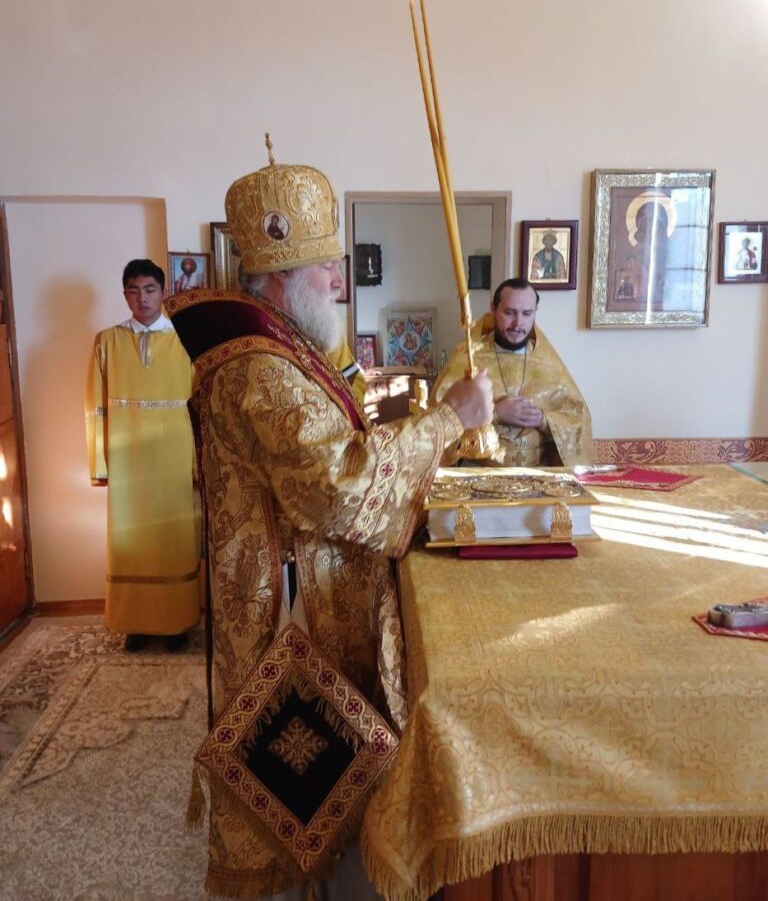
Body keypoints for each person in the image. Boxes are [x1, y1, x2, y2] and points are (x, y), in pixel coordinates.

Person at [167, 149, 492, 899]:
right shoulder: (259, 366)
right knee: (298, 765)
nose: (339, 281)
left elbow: (336, 448)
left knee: (328, 767)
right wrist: (448, 419)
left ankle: (327, 871)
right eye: (326, 268)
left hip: (311, 591)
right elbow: (336, 488)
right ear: (281, 277)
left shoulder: (288, 349)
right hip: (290, 612)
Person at [85, 259, 200, 652]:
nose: (142, 298)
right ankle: (135, 623)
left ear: (162, 292)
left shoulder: (186, 341)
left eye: (149, 289)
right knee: (131, 540)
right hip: (128, 461)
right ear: (124, 295)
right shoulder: (107, 342)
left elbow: (201, 406)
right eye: (133, 291)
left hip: (174, 458)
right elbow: (95, 407)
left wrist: (199, 461)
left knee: (174, 539)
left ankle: (176, 624)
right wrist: (100, 463)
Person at [431, 277, 592, 467]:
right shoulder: (468, 359)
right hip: (478, 477)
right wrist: (495, 413)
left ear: (535, 312)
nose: (518, 323)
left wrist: (543, 420)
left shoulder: (548, 363)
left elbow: (577, 420)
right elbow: (439, 422)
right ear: (493, 309)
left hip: (536, 479)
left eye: (527, 313)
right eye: (509, 313)